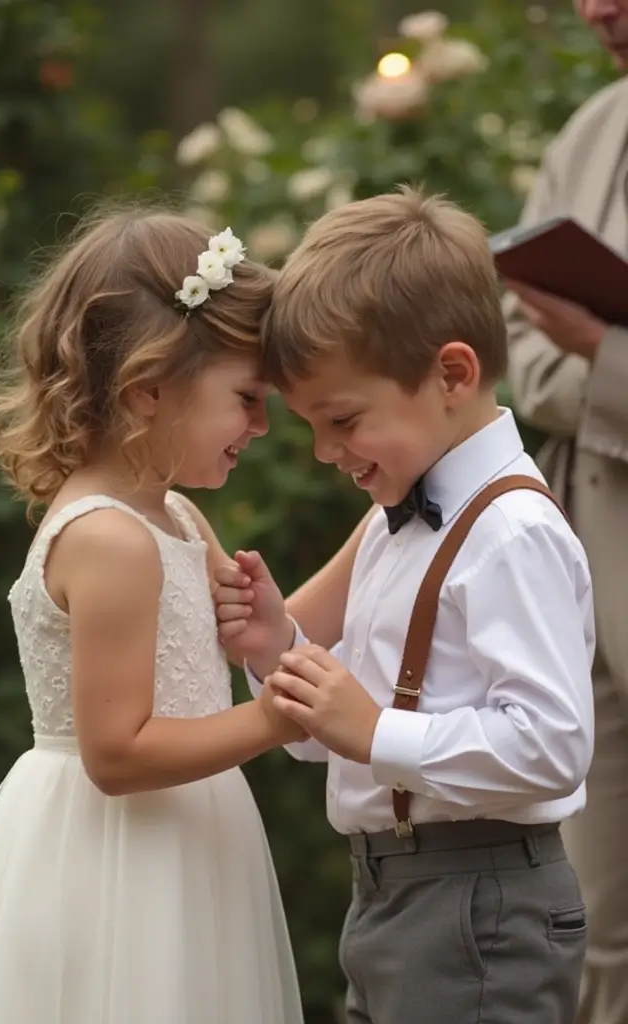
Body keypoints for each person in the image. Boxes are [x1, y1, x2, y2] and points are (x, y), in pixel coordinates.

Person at [214, 188, 596, 1024]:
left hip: (485, 903)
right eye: (311, 424)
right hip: (394, 895)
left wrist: (376, 730)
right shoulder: (398, 520)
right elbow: (348, 732)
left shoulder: (509, 532)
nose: (323, 452)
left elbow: (554, 744)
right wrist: (280, 645)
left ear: (452, 374)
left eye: (343, 419)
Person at [0, 208, 304, 1024]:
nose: (263, 426)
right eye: (246, 398)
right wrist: (273, 716)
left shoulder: (175, 518)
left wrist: (245, 617)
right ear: (147, 392)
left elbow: (190, 656)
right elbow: (119, 753)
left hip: (189, 834)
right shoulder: (110, 539)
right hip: (116, 856)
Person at [504, 3, 628, 1021]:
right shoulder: (586, 132)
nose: (597, 9)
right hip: (584, 590)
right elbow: (516, 338)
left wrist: (601, 350)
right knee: (593, 921)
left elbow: (567, 352)